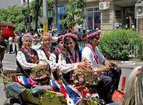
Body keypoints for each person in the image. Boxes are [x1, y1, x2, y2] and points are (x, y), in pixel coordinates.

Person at [82, 30, 122, 104]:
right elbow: (89, 69)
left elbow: (103, 60)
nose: (98, 40)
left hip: (98, 73)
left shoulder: (95, 49)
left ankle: (111, 93)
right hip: (91, 76)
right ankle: (104, 98)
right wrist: (103, 69)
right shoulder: (86, 51)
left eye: (99, 38)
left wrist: (109, 65)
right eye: (96, 38)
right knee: (108, 80)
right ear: (90, 40)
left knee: (117, 70)